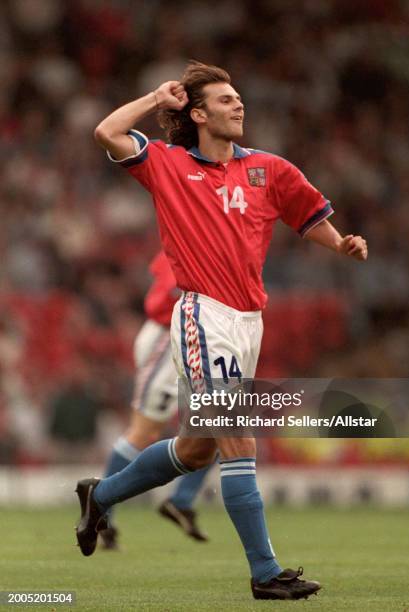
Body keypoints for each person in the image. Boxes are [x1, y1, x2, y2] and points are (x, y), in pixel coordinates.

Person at [75, 61, 367, 600]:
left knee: (195, 451)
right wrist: (155, 99)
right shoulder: (166, 163)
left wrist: (341, 243)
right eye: (227, 99)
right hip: (203, 315)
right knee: (237, 435)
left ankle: (102, 494)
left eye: (239, 97)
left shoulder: (269, 170)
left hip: (250, 321)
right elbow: (106, 133)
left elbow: (308, 217)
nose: (240, 105)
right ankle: (265, 573)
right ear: (200, 112)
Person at [100, 250, 212, 550]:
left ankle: (181, 500)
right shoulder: (196, 235)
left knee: (219, 425)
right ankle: (101, 515)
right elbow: (161, 298)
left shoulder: (213, 227)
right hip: (171, 336)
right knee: (144, 432)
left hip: (198, 335)